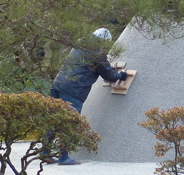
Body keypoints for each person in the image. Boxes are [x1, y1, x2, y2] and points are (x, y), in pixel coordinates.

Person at [48, 28, 129, 165]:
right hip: (74, 90)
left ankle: (44, 153)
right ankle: (64, 157)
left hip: (58, 85)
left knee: (53, 120)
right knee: (69, 122)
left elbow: (90, 67)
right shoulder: (97, 51)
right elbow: (108, 75)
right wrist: (121, 75)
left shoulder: (80, 46)